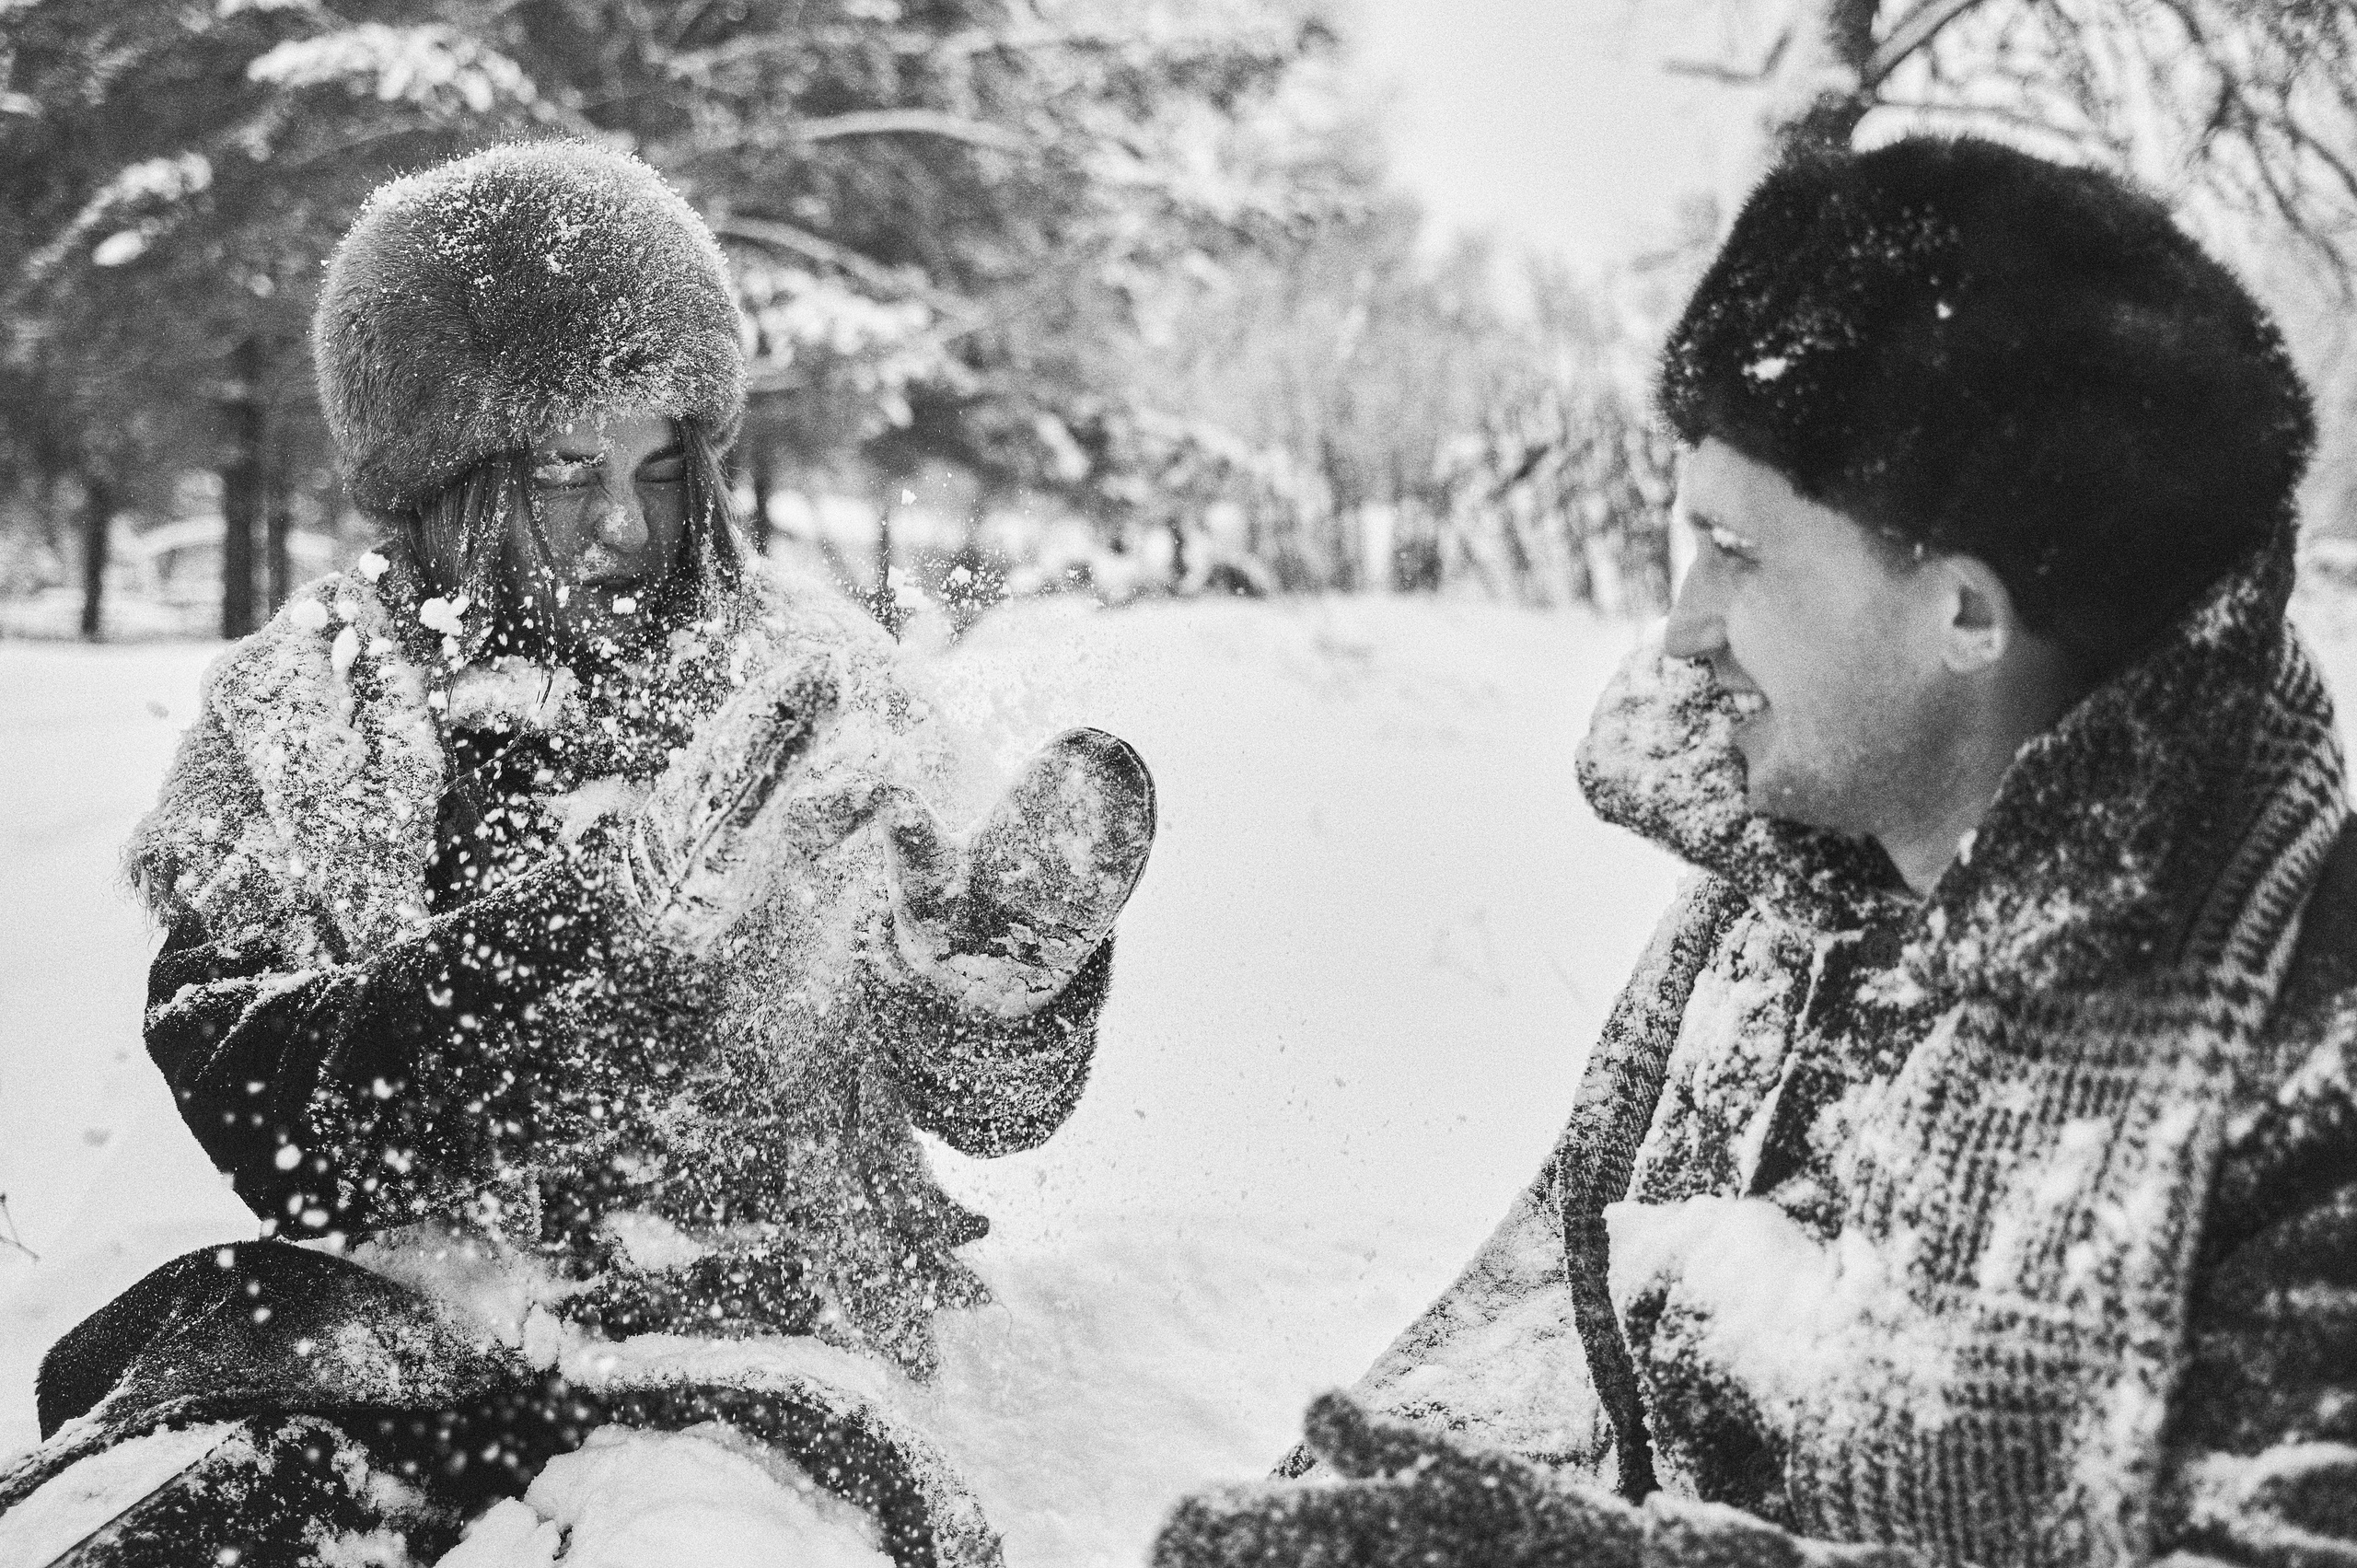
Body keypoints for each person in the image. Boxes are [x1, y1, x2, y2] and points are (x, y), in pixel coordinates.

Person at [1155, 136, 2357, 1567]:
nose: (1679, 626)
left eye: (1737, 551)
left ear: (1967, 618)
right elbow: (1542, 1339)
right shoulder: (1789, 895)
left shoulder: (2310, 1045)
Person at [0, 142, 1153, 1565]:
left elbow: (983, 1110)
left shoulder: (814, 681)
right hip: (383, 1333)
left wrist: (997, 988)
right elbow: (270, 1115)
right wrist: (582, 921)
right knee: (163, 1511)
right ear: (439, 474)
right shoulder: (305, 707)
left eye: (665, 464)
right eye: (564, 467)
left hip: (751, 1339)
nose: (626, 520)